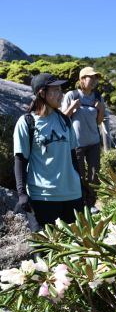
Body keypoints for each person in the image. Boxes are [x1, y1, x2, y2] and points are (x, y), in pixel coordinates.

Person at [14, 73, 83, 229]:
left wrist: (81, 185)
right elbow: (20, 159)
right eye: (56, 90)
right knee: (45, 248)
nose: (61, 94)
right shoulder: (27, 122)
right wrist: (21, 194)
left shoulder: (65, 120)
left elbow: (73, 156)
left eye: (61, 90)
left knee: (74, 248)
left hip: (72, 194)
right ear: (42, 93)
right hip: (42, 197)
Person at [62, 66, 105, 214]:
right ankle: (80, 204)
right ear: (82, 79)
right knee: (78, 175)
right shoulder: (72, 95)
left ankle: (91, 203)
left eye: (95, 78)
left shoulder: (98, 97)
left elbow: (99, 122)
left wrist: (101, 110)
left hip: (93, 142)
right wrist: (72, 107)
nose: (94, 81)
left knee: (94, 174)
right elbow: (62, 119)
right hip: (76, 144)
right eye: (90, 77)